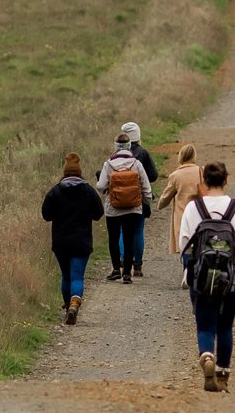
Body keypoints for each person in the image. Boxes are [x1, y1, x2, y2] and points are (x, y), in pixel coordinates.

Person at [175, 159, 235, 392]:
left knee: (205, 325)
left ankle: (207, 356)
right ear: (226, 180)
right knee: (225, 326)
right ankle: (222, 374)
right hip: (232, 275)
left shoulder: (193, 208)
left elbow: (183, 244)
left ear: (204, 182)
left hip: (200, 276)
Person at [41, 153, 104, 324]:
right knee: (77, 276)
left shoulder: (55, 191)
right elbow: (98, 214)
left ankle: (68, 304)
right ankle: (74, 305)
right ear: (79, 172)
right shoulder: (88, 190)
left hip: (61, 242)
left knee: (66, 275)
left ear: (65, 172)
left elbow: (46, 215)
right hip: (81, 241)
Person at [94, 130, 155, 285]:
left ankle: (116, 269)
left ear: (115, 146)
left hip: (113, 209)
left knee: (114, 239)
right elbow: (146, 187)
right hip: (133, 208)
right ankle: (127, 274)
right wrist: (146, 202)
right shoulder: (136, 164)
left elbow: (101, 187)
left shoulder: (108, 164)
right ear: (129, 146)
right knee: (129, 239)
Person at [156, 143, 202, 259]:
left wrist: (159, 205)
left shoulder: (175, 176)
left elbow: (166, 197)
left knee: (186, 246)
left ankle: (187, 272)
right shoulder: (202, 172)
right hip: (201, 214)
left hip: (183, 216)